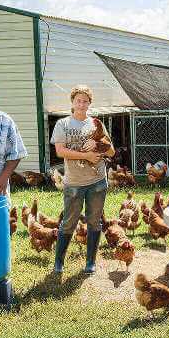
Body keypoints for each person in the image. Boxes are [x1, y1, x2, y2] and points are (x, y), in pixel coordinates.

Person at [51, 85, 115, 274]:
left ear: (89, 103)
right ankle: (59, 262)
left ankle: (90, 263)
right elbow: (60, 151)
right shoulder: (63, 124)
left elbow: (111, 151)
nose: (81, 104)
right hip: (74, 182)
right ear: (72, 102)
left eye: (85, 101)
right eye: (78, 100)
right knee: (69, 222)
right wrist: (86, 156)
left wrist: (98, 143)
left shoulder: (97, 124)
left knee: (94, 221)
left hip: (97, 181)